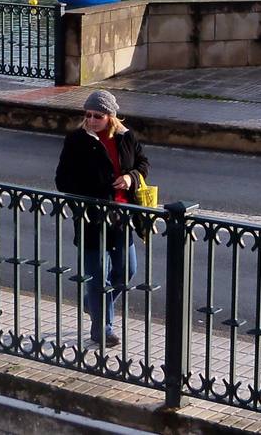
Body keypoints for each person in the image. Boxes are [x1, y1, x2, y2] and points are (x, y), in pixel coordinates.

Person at [54, 90, 148, 348]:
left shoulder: (125, 137)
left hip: (123, 215)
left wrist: (130, 178)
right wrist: (92, 193)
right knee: (98, 276)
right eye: (88, 115)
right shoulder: (76, 140)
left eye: (98, 115)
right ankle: (103, 329)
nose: (92, 120)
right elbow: (62, 180)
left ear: (110, 116)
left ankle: (92, 304)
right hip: (92, 219)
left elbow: (142, 163)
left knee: (126, 271)